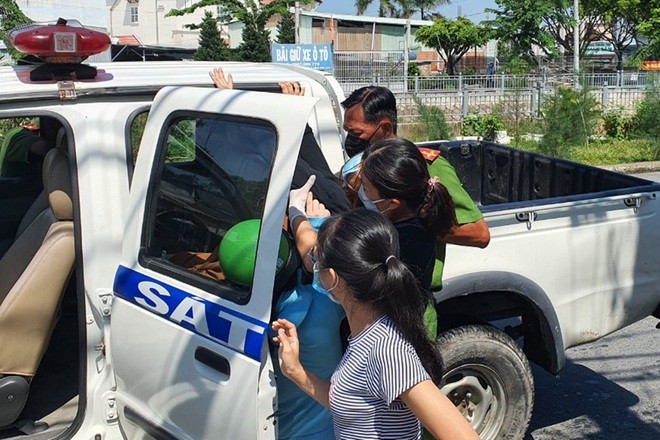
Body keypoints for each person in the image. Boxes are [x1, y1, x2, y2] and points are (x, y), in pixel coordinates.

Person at [272, 209, 480, 440]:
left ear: (331, 277)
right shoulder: (365, 334)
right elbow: (352, 406)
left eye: (315, 259)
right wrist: (297, 372)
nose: (313, 265)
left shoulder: (387, 348)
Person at [340, 85, 490, 291]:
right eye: (347, 132)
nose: (351, 140)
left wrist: (411, 226)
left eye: (357, 133)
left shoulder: (426, 165)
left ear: (384, 128)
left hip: (411, 295)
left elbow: (479, 233)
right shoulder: (359, 165)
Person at [209, 67, 349, 214]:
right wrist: (296, 113)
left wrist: (234, 107)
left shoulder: (332, 201)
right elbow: (311, 157)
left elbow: (284, 160)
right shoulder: (333, 194)